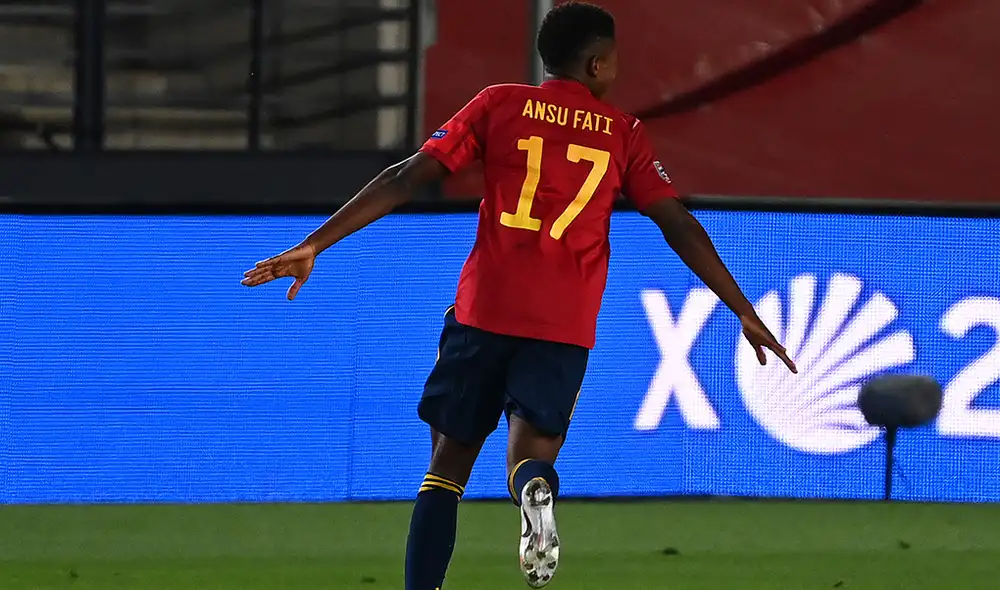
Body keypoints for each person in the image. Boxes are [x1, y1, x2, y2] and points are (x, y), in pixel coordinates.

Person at [242, 2, 797, 588]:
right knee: (530, 455)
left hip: (485, 310)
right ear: (597, 64)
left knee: (445, 472)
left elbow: (406, 177)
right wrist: (742, 308)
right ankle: (533, 486)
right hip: (563, 324)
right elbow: (677, 223)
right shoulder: (623, 134)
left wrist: (316, 243)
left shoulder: (499, 104)